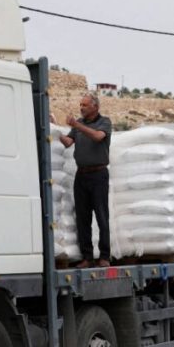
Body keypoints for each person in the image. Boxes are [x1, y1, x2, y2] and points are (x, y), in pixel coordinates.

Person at [60, 93, 113, 268]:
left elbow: (98, 137)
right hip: (81, 175)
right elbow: (68, 142)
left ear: (95, 107)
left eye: (84, 105)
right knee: (83, 218)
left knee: (101, 216)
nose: (81, 107)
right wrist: (54, 133)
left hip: (98, 175)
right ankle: (87, 257)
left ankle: (104, 256)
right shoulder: (79, 124)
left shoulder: (104, 122)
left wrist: (76, 125)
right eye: (80, 104)